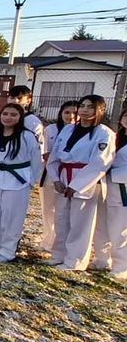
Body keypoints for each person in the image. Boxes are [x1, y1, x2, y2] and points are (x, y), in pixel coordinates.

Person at [48, 95, 114, 271]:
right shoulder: (68, 129)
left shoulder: (104, 133)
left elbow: (100, 163)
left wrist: (76, 185)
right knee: (61, 219)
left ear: (100, 110)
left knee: (80, 224)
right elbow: (54, 156)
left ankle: (75, 261)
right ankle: (58, 255)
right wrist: (55, 178)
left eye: (90, 107)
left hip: (86, 181)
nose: (84, 110)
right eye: (82, 106)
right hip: (63, 176)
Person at [0, 103, 42, 263]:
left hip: (18, 179)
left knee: (12, 216)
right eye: (5, 114)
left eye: (13, 115)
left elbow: (36, 160)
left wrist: (32, 180)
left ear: (20, 118)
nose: (8, 117)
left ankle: (7, 250)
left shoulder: (27, 136)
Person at [40, 101, 78, 251]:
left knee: (65, 210)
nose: (71, 116)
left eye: (74, 112)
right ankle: (48, 240)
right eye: (67, 112)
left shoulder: (83, 132)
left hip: (70, 174)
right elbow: (44, 150)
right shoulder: (51, 129)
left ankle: (63, 242)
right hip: (50, 172)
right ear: (61, 113)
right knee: (48, 208)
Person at [100, 109, 127, 281]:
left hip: (122, 190)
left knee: (120, 230)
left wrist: (111, 172)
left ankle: (122, 266)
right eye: (126, 116)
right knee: (101, 227)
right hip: (105, 187)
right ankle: (102, 259)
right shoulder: (114, 137)